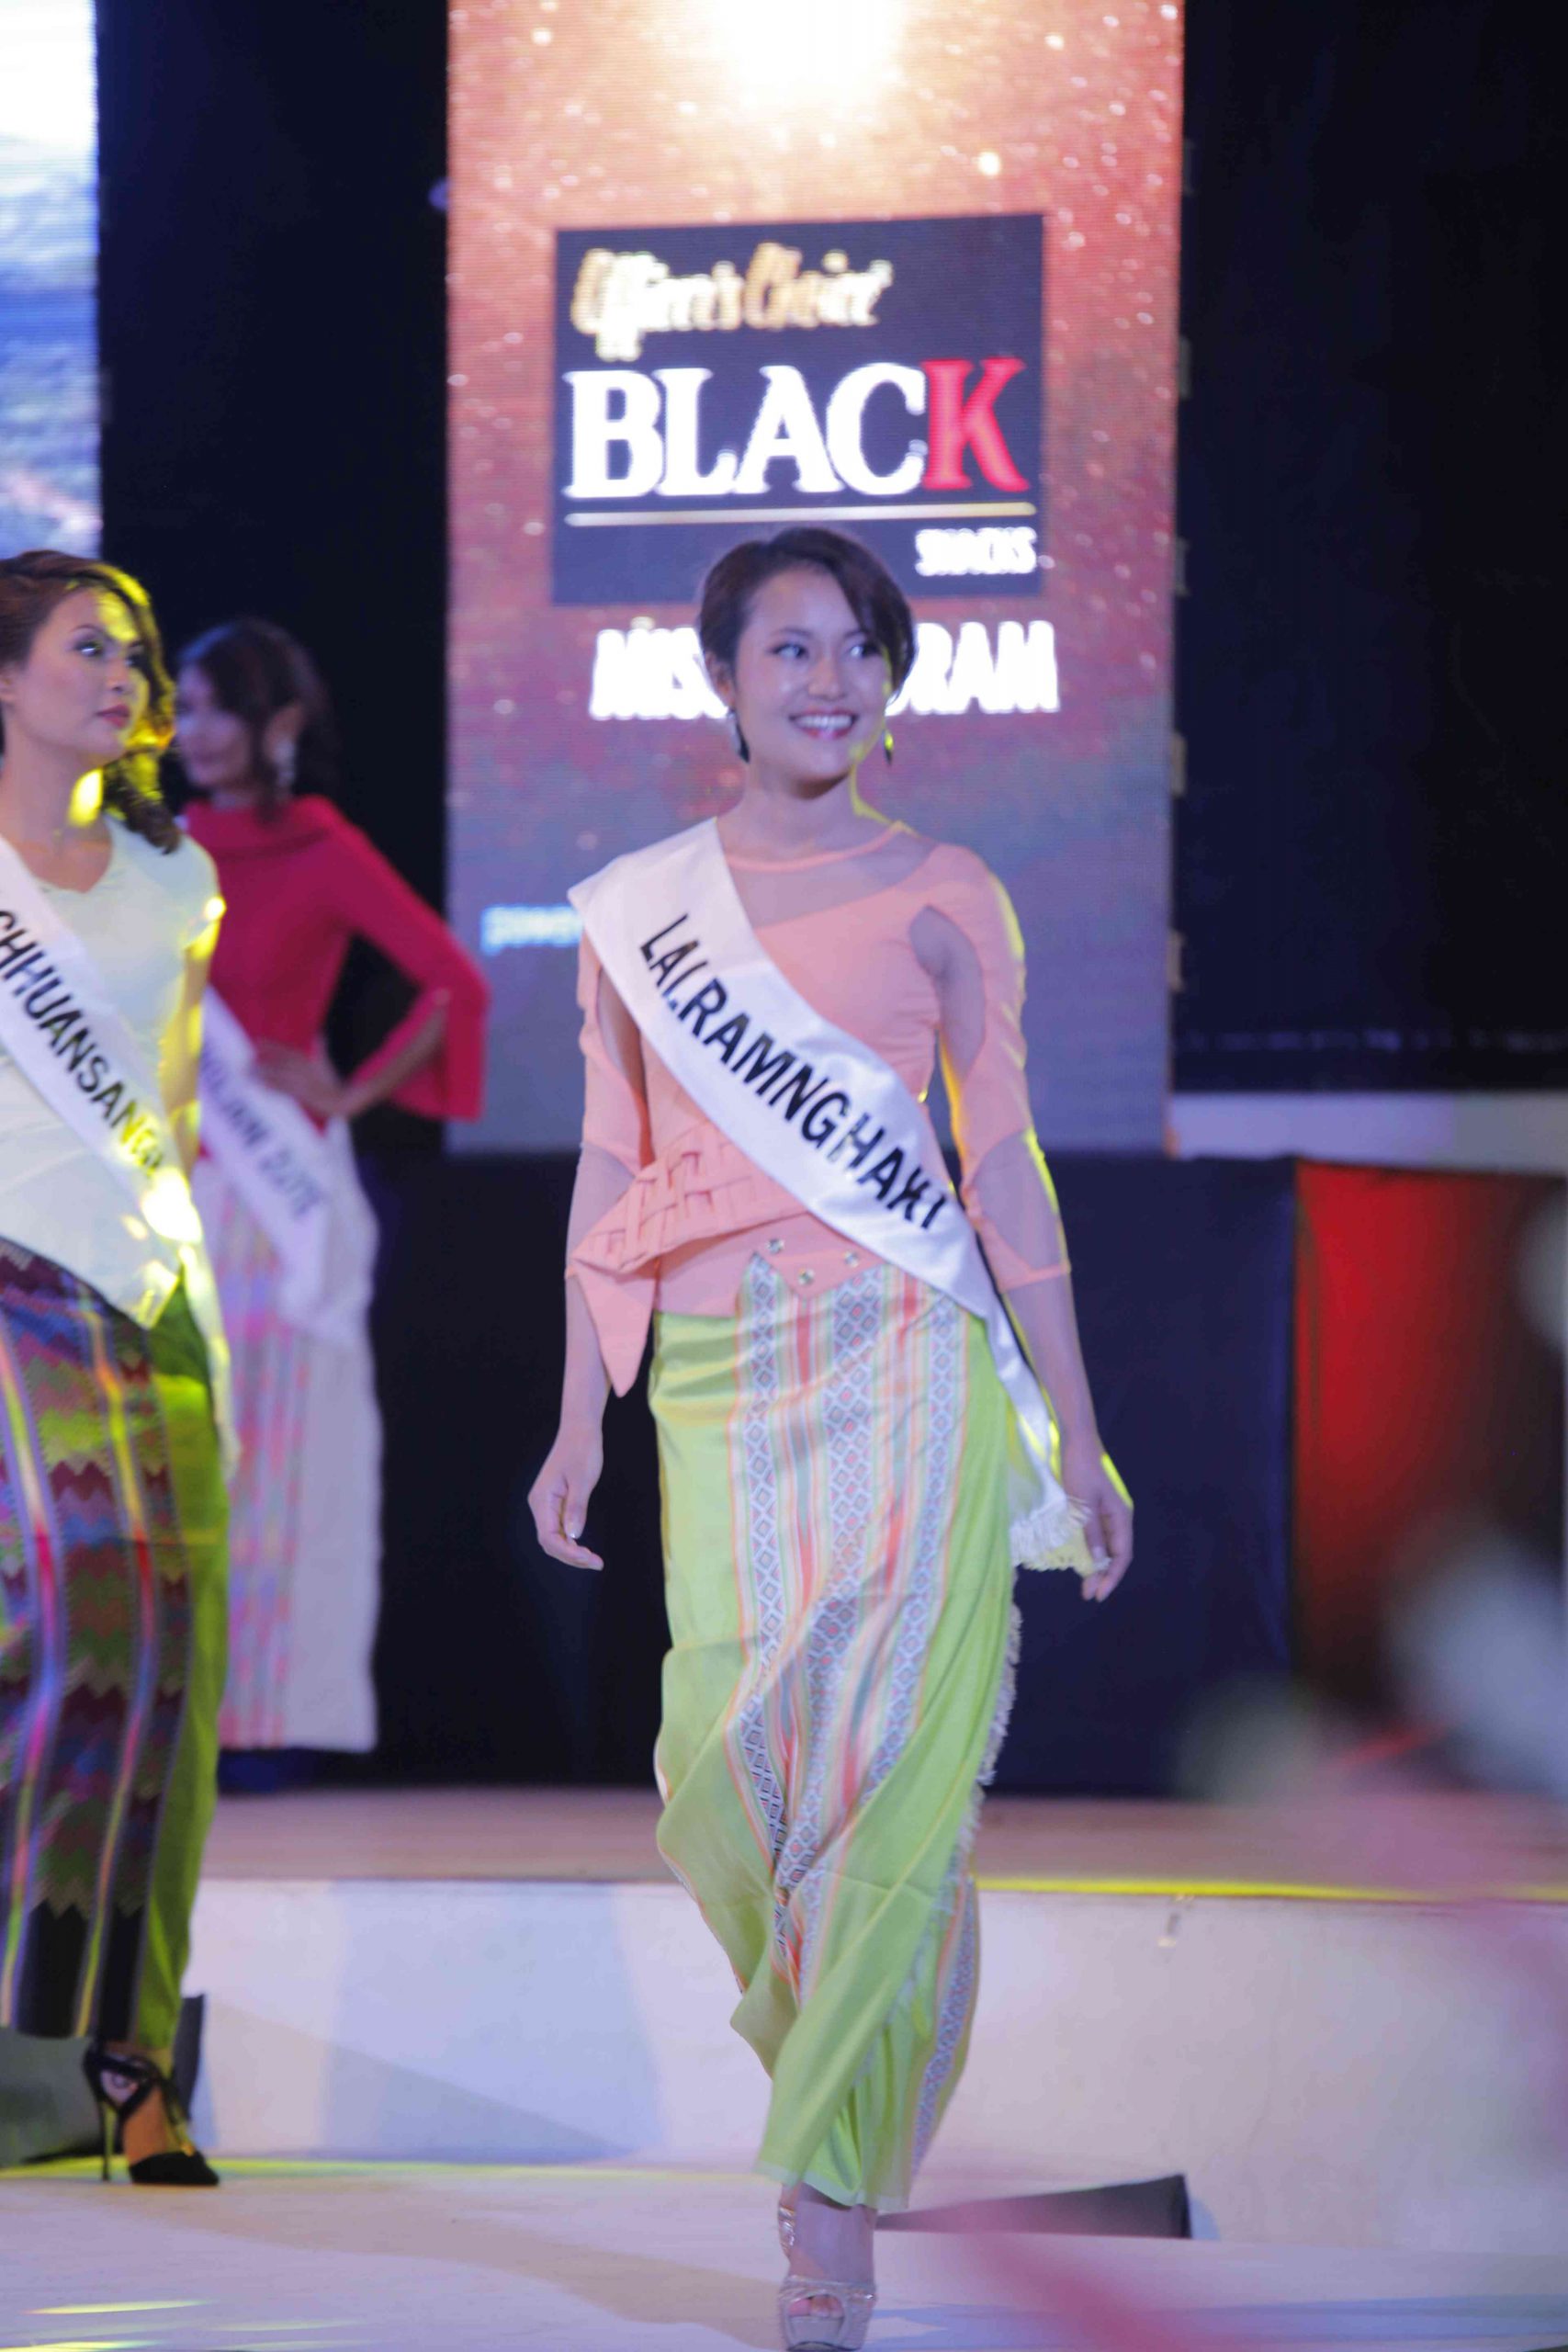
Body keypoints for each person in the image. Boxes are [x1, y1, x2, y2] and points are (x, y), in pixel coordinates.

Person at [530, 526, 1134, 2350]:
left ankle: (829, 2201)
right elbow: (612, 1160)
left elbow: (1000, 1166)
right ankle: (839, 2109)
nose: (829, 678)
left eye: (859, 645)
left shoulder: (946, 890)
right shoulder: (638, 911)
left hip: (905, 1360)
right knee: (726, 1774)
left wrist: (1078, 1430)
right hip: (716, 1381)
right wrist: (578, 1410)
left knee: (889, 1781)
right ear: (720, 679)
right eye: (790, 647)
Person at [0, 549, 230, 2183]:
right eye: (87, 646)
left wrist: (189, 1290)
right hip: (5, 1288)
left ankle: (128, 2059)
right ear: (4, 680)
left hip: (143, 1300)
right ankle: (32, 2049)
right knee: (76, 1627)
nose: (123, 673)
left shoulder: (173, 877)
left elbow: (178, 1103)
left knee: (169, 1675)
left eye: (135, 652)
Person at [175, 619, 487, 1762]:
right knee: (176, 1455)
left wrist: (348, 1091)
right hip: (169, 1183)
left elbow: (453, 983)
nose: (195, 730)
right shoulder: (155, 853)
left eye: (219, 706)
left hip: (279, 1201)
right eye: (185, 707)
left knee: (283, 1459)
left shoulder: (320, 849)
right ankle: (168, 1714)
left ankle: (271, 1726)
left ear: (283, 722)